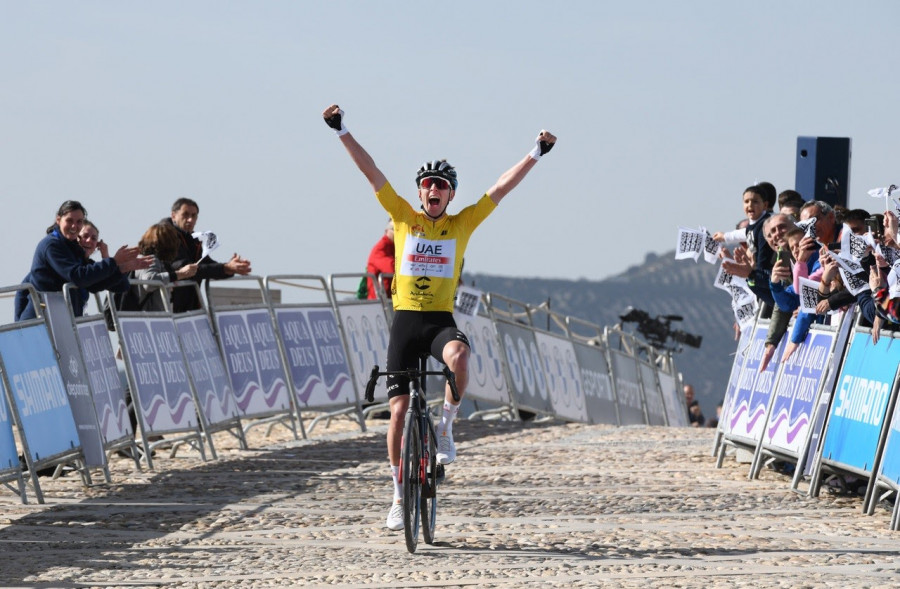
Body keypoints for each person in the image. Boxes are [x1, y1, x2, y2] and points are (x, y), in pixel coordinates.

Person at [323, 103, 556, 530]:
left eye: (442, 186)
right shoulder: (403, 217)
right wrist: (341, 131)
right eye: (428, 185)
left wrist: (535, 154)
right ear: (420, 193)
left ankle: (446, 428)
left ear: (450, 195)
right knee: (396, 413)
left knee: (461, 358)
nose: (434, 190)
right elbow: (371, 171)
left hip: (439, 321)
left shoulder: (463, 224)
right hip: (406, 322)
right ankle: (397, 495)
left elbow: (500, 189)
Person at [14, 200, 151, 321]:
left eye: (79, 222)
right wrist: (113, 262)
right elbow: (78, 276)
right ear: (58, 220)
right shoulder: (52, 245)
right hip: (42, 321)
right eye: (69, 221)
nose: (74, 226)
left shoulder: (73, 250)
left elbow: (102, 284)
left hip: (63, 321)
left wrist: (122, 268)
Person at [162, 197, 252, 312]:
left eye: (193, 216)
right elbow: (186, 268)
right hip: (168, 308)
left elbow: (207, 265)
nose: (190, 220)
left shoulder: (194, 240)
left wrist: (230, 268)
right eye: (185, 214)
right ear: (173, 215)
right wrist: (225, 268)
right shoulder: (165, 237)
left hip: (189, 310)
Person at [133, 222, 200, 311]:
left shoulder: (154, 260)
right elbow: (149, 282)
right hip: (149, 319)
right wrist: (179, 274)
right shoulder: (150, 259)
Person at [365, 219, 395, 299]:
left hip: (391, 301)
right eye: (395, 229)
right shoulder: (380, 249)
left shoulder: (397, 248)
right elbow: (392, 268)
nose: (398, 233)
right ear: (386, 231)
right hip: (379, 304)